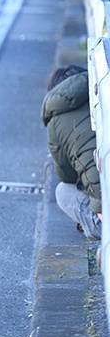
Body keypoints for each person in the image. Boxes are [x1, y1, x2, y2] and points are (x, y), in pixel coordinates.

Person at [42, 65, 101, 240]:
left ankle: (96, 229)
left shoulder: (55, 122)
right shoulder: (102, 92)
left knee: (63, 192)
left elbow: (66, 176)